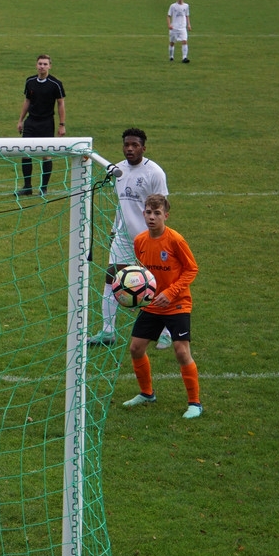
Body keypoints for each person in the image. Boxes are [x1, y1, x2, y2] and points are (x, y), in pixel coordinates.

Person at [120, 194, 202, 420]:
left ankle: (195, 403)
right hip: (152, 305)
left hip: (177, 304)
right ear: (143, 213)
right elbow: (143, 274)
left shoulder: (175, 240)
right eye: (148, 212)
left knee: (181, 351)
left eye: (157, 213)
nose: (151, 217)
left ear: (165, 215)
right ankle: (147, 394)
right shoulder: (140, 241)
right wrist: (137, 297)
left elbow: (191, 269)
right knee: (136, 348)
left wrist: (171, 292)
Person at [89, 128, 171, 350]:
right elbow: (121, 205)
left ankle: (166, 331)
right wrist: (115, 229)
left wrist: (160, 236)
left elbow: (162, 208)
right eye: (127, 145)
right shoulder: (118, 171)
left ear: (143, 147)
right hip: (124, 237)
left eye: (135, 145)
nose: (130, 149)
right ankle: (107, 331)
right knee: (111, 277)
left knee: (157, 283)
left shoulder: (154, 173)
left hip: (149, 237)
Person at [15, 54, 66, 197]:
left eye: (45, 64)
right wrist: (21, 120)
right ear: (36, 65)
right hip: (31, 122)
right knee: (25, 153)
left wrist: (62, 125)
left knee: (46, 155)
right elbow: (27, 101)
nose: (42, 66)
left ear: (50, 66)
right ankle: (27, 187)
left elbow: (61, 103)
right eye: (40, 64)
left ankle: (43, 189)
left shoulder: (55, 84)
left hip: (46, 123)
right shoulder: (30, 81)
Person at [167, 0, 191, 64]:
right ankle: (171, 56)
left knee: (184, 41)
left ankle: (184, 57)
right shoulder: (173, 6)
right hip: (174, 28)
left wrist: (189, 24)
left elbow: (187, 15)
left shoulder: (186, 6)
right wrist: (169, 25)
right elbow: (168, 16)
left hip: (183, 27)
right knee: (172, 43)